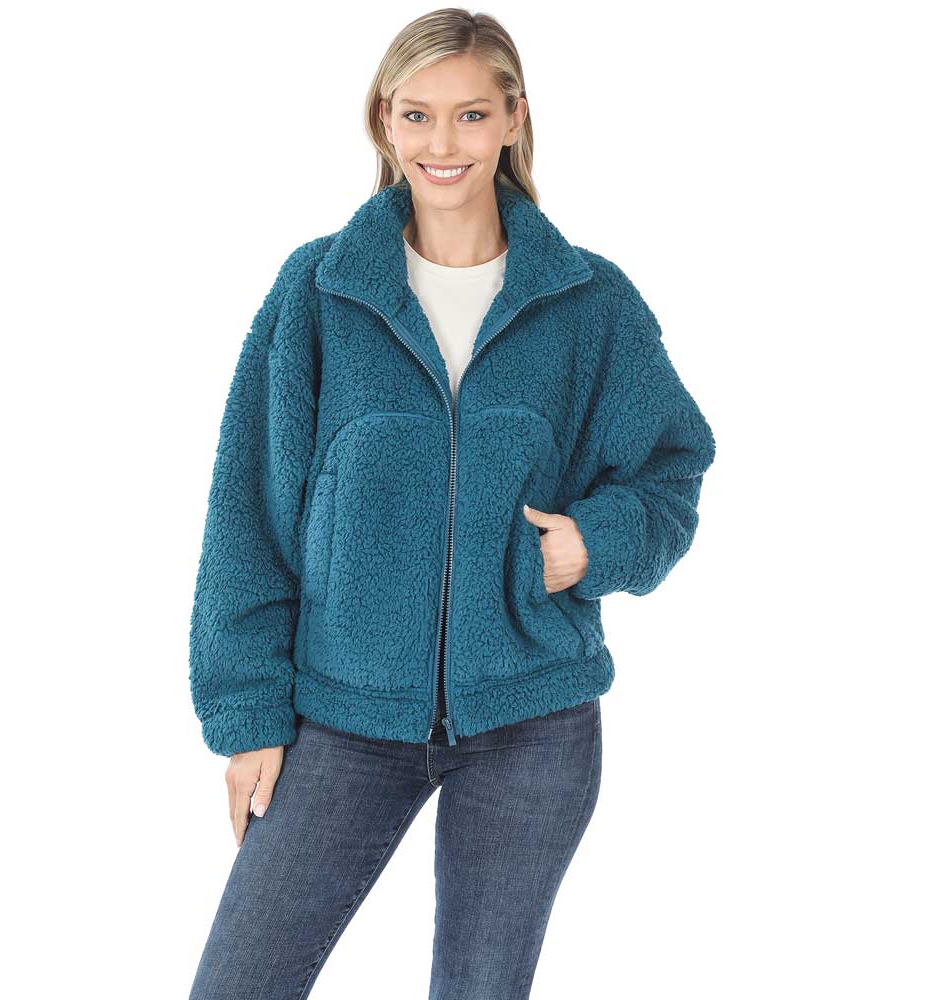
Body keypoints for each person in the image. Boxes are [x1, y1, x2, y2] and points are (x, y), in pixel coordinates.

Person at [188, 10, 716, 1000]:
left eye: (471, 114)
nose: (444, 143)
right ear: (383, 122)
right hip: (341, 714)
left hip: (532, 721)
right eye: (417, 114)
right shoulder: (321, 290)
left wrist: (592, 544)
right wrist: (248, 713)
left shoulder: (589, 304)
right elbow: (248, 511)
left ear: (514, 119)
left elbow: (672, 462)